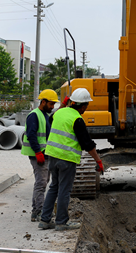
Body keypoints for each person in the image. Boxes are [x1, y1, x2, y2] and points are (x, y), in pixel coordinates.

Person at [38, 88, 103, 231]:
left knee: (54, 187)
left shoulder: (59, 113)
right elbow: (87, 143)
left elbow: (50, 119)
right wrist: (98, 161)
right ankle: (61, 222)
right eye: (86, 105)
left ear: (71, 101)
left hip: (52, 156)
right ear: (84, 106)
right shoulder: (77, 119)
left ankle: (44, 220)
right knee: (64, 190)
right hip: (66, 159)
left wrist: (63, 105)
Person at [21, 89, 58, 222]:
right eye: (51, 104)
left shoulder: (44, 115)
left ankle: (37, 210)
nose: (53, 106)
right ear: (43, 102)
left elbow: (52, 119)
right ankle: (38, 211)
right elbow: (31, 135)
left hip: (43, 154)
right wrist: (37, 152)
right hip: (38, 155)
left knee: (43, 182)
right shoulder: (34, 115)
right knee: (41, 183)